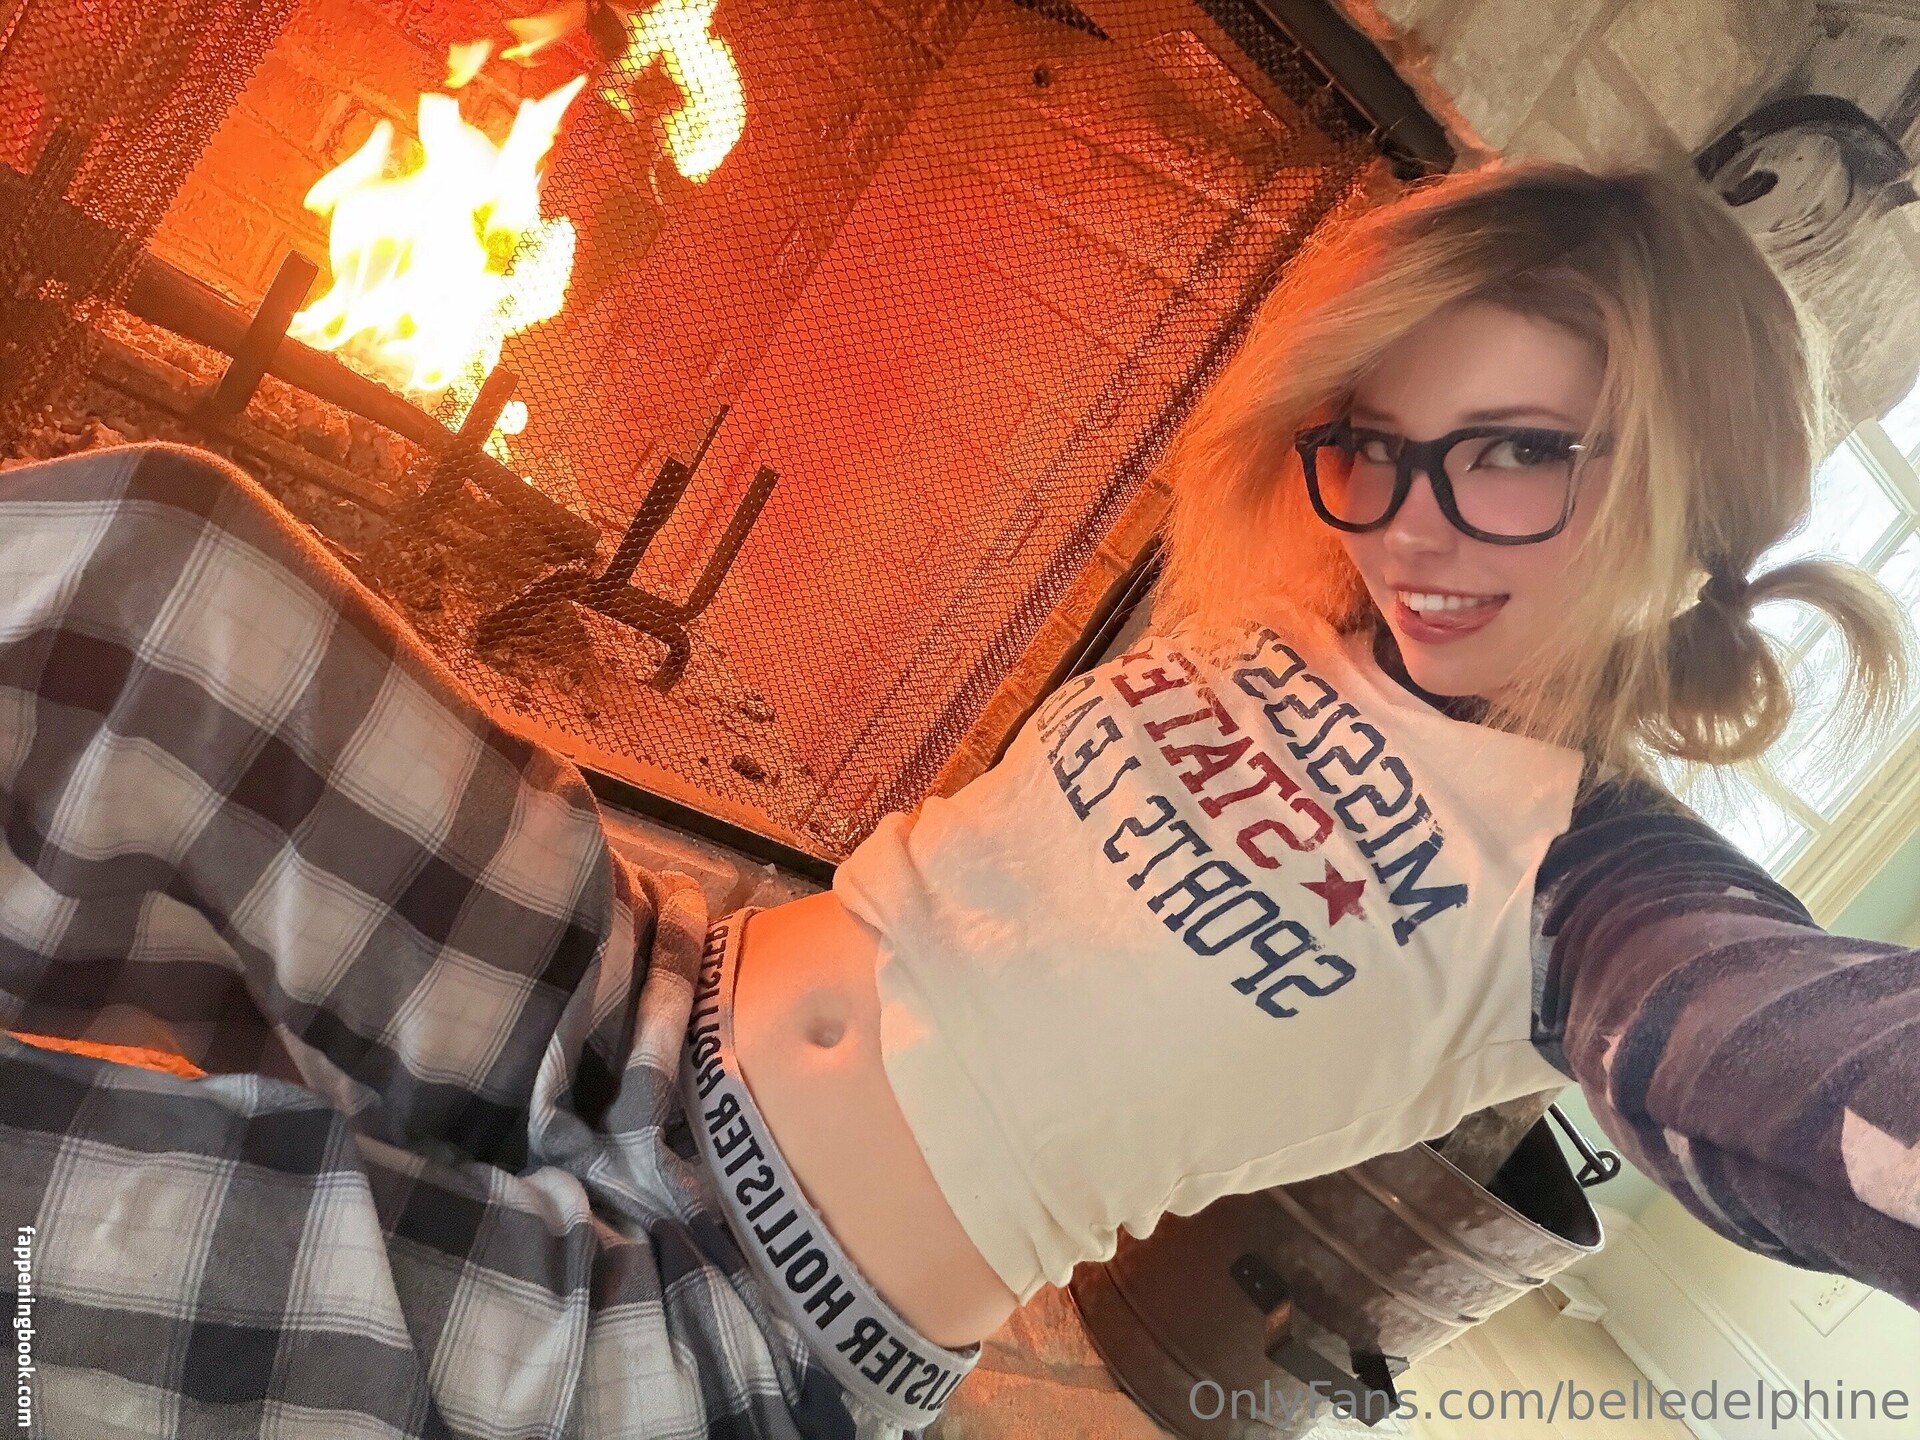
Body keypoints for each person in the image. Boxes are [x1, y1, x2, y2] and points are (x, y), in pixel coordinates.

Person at [1, 160, 1915, 1440]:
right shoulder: (1313, 603)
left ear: (1689, 497)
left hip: (730, 1317)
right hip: (632, 997)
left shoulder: (1599, 885)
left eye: (1511, 457)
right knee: (160, 561)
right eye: (1374, 442)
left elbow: (1784, 1056)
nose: (1412, 526)